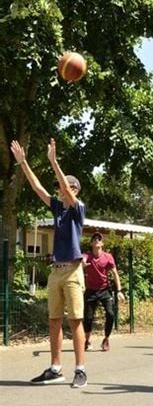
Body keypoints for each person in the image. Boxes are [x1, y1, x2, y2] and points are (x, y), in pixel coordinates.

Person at [11, 138, 88, 388]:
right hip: (56, 271)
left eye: (65, 187)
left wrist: (54, 162)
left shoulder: (78, 209)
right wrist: (23, 163)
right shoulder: (57, 209)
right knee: (54, 320)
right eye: (58, 187)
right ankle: (56, 368)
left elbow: (64, 187)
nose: (59, 190)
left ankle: (80, 369)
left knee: (75, 320)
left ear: (75, 190)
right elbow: (37, 188)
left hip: (73, 271)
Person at [83, 232, 125, 352]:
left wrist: (119, 290)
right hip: (90, 291)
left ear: (102, 243)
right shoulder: (87, 256)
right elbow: (82, 259)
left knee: (111, 314)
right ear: (91, 243)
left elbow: (115, 273)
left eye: (99, 239)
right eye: (94, 239)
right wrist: (82, 263)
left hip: (104, 290)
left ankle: (106, 340)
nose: (97, 240)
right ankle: (87, 341)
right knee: (88, 318)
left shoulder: (108, 257)